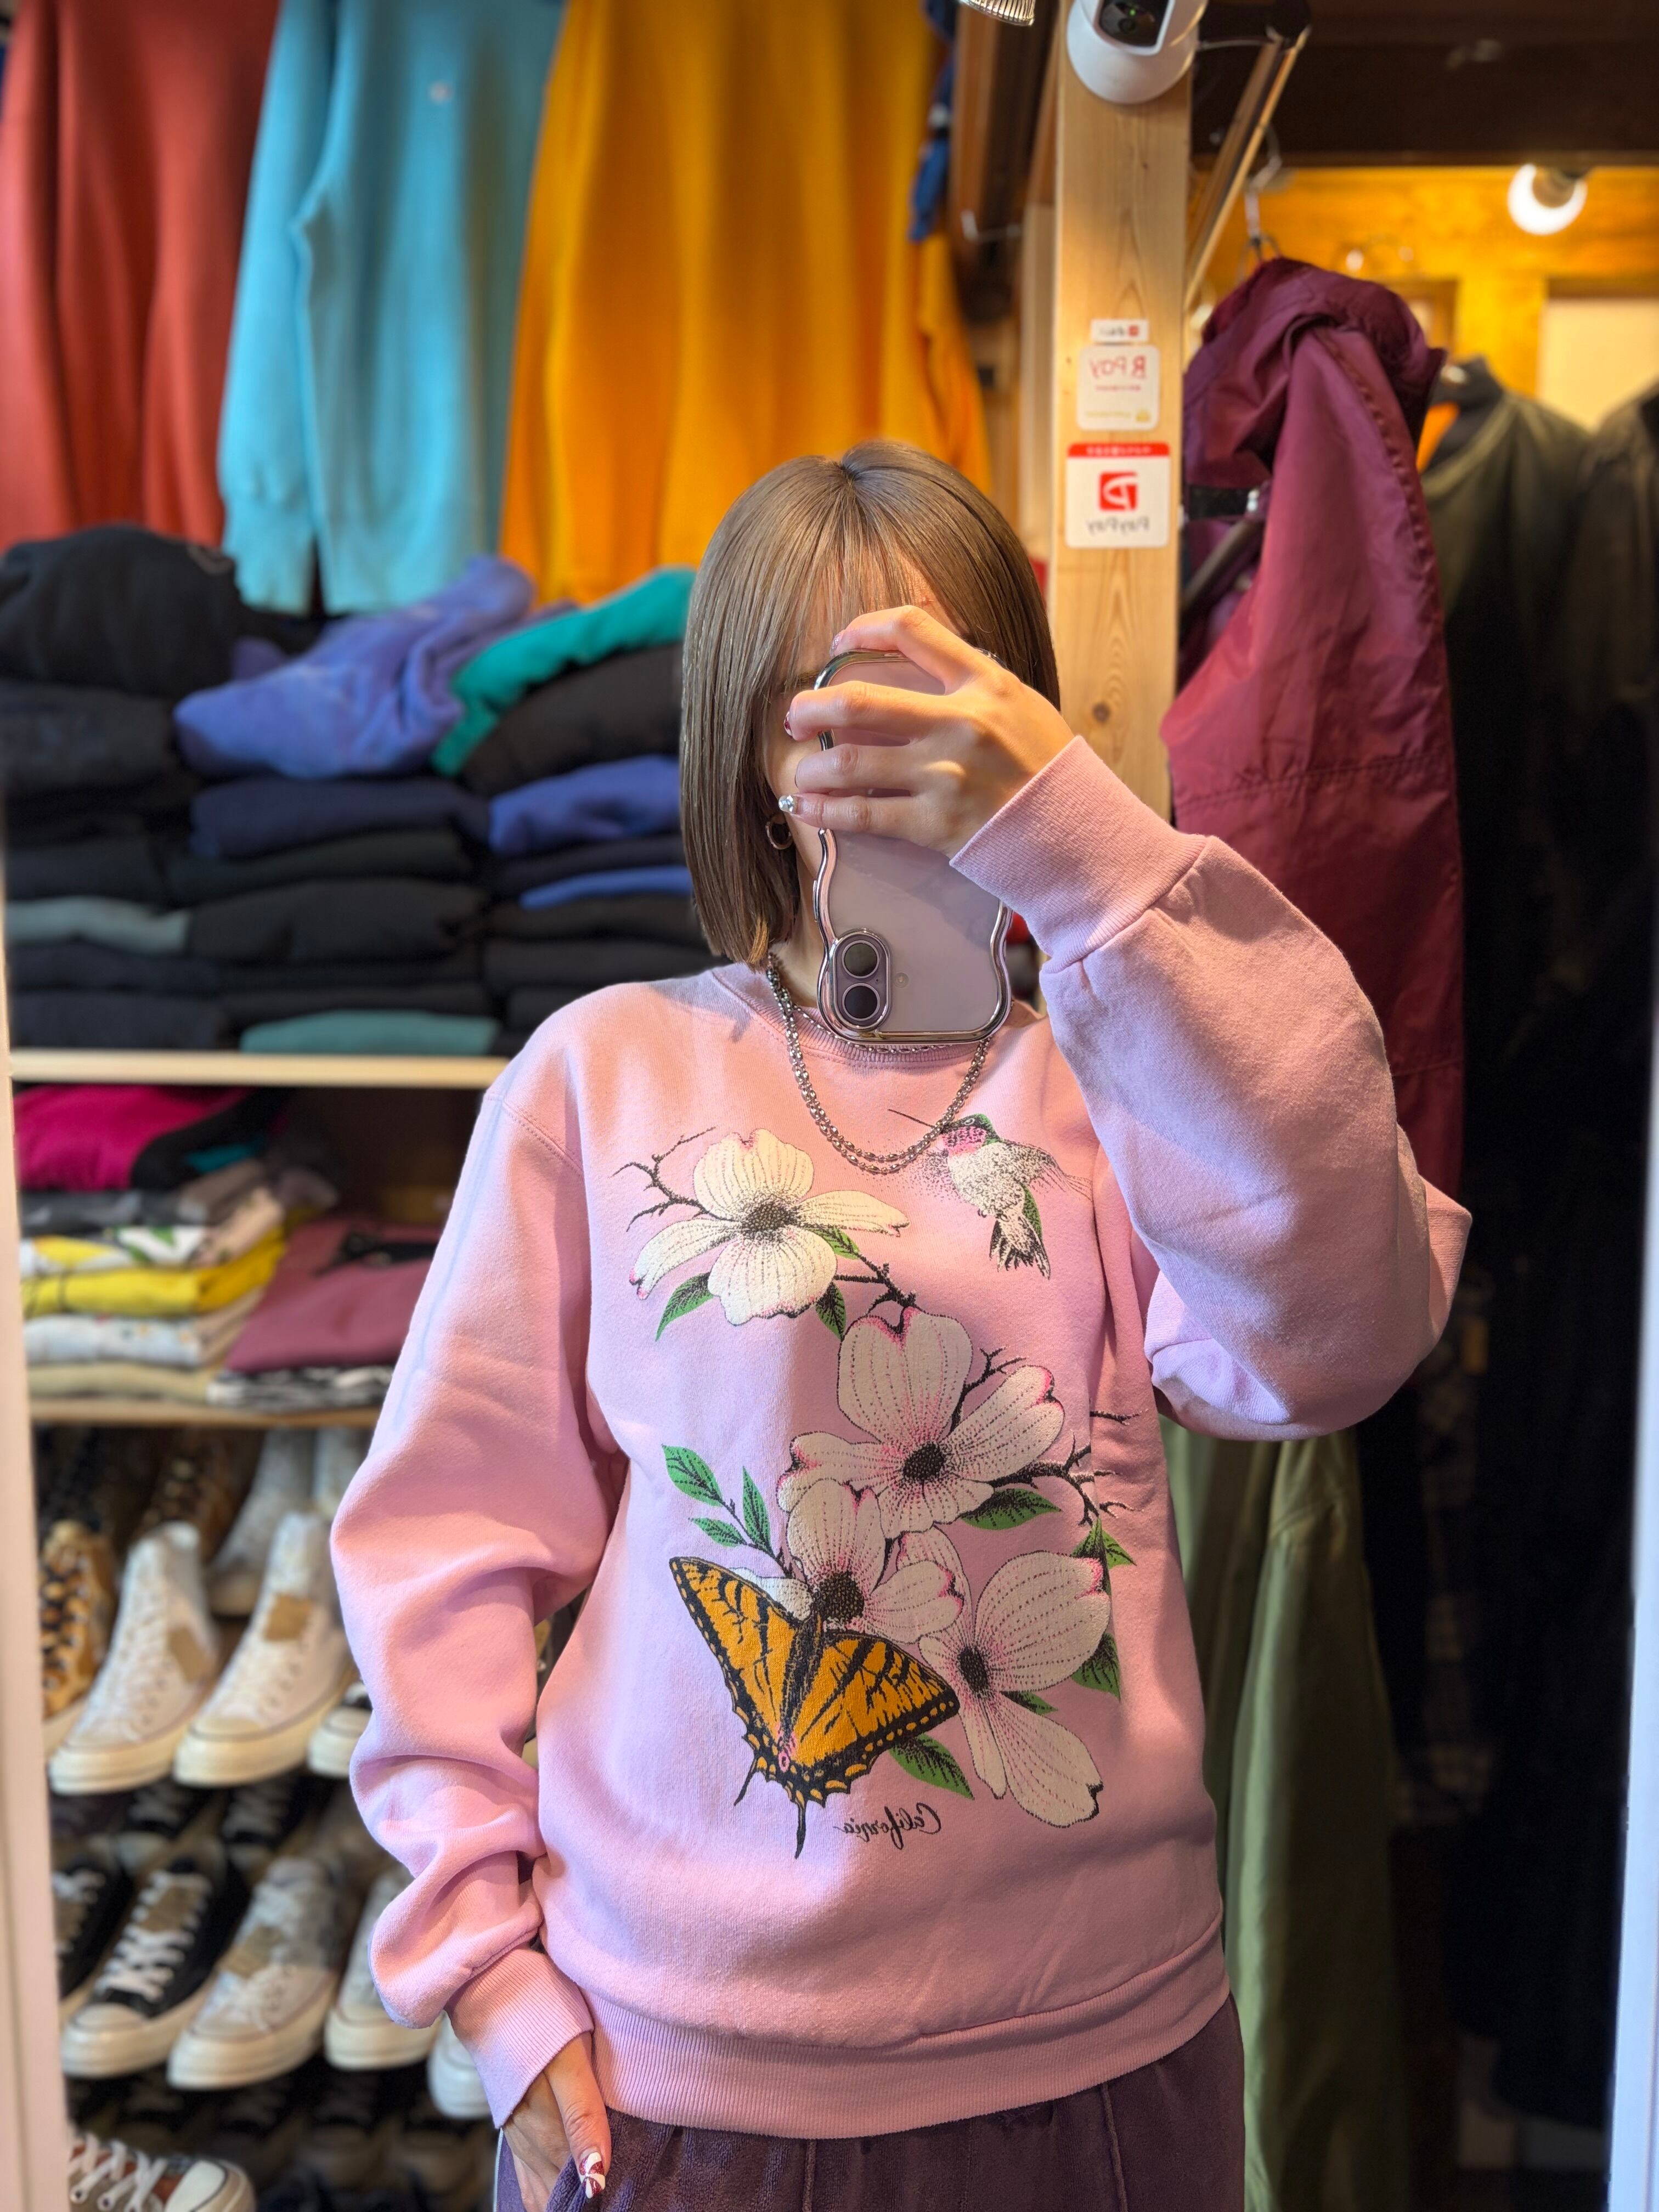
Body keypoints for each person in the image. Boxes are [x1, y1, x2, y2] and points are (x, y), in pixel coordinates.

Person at [331, 442, 1469, 2211]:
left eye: (943, 698)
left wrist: (1081, 846)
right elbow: (443, 1548)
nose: (888, 757)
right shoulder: (604, 1075)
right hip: (680, 2070)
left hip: (1099, 2057)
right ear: (746, 744)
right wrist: (487, 1971)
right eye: (831, 706)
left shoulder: (1121, 1080)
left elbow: (1344, 1330)